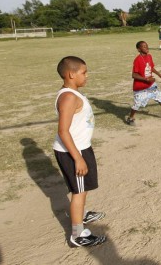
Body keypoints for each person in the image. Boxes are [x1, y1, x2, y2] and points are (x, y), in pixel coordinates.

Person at [54, 56, 107, 247]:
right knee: (79, 191)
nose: (87, 76)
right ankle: (78, 234)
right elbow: (63, 131)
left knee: (82, 188)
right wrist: (78, 158)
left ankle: (81, 213)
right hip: (73, 152)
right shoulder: (68, 97)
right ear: (71, 74)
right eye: (84, 72)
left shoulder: (73, 93)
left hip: (81, 148)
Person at [125, 41, 161, 126]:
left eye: (147, 46)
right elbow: (134, 75)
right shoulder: (137, 60)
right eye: (144, 46)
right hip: (140, 87)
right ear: (138, 49)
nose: (146, 47)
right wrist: (146, 79)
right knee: (137, 103)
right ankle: (130, 118)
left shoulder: (149, 56)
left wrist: (159, 74)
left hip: (150, 84)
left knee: (160, 97)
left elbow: (151, 67)